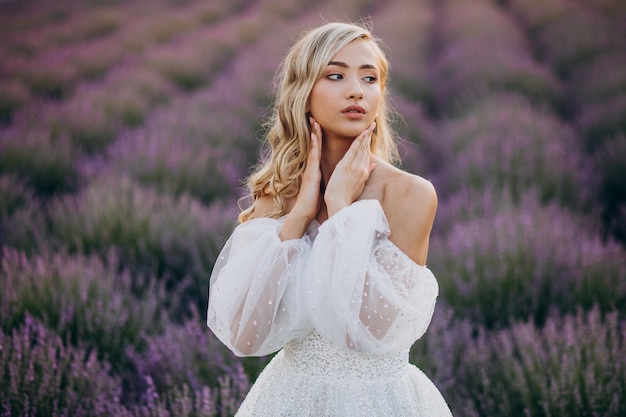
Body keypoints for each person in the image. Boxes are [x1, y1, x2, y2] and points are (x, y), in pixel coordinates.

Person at [207, 21, 453, 416]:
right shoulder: (279, 194)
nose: (356, 89)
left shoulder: (410, 194)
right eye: (335, 75)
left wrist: (341, 209)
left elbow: (374, 331)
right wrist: (299, 215)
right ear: (303, 94)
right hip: (289, 398)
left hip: (379, 401)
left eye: (369, 78)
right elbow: (244, 335)